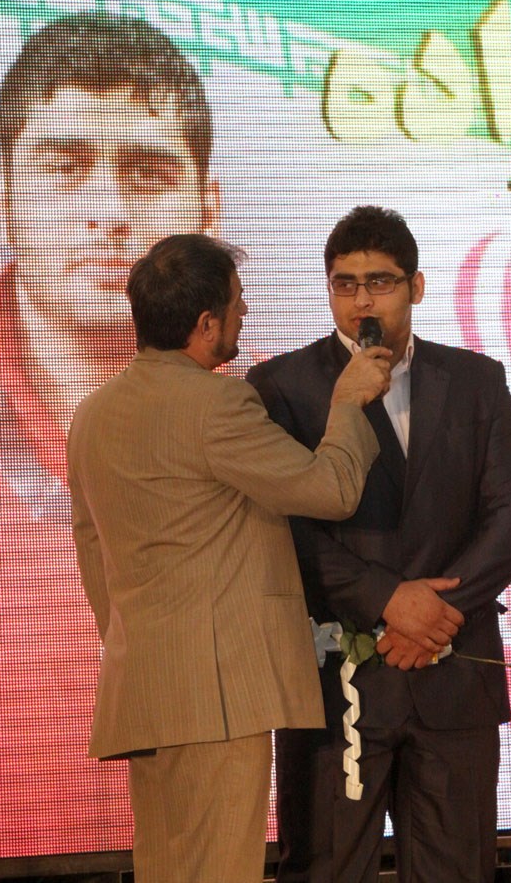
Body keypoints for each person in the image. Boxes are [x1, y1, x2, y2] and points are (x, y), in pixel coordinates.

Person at [0, 11, 220, 857]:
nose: (107, 212)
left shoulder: (287, 423)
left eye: (147, 173)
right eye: (65, 168)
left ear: (207, 207)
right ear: (1, 198)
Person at [66, 232, 398, 883]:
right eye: (237, 301)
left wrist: (141, 644)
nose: (245, 312)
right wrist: (346, 402)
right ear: (205, 323)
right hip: (218, 698)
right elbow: (330, 490)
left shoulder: (92, 415)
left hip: (148, 688)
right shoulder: (216, 403)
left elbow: (91, 549)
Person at [247, 205, 511, 883]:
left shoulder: (475, 380)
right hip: (336, 688)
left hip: (453, 675)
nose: (361, 301)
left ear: (416, 287)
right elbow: (284, 529)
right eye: (344, 284)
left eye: (379, 282)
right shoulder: (281, 387)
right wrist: (386, 599)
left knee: (456, 870)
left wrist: (438, 613)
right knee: (325, 867)